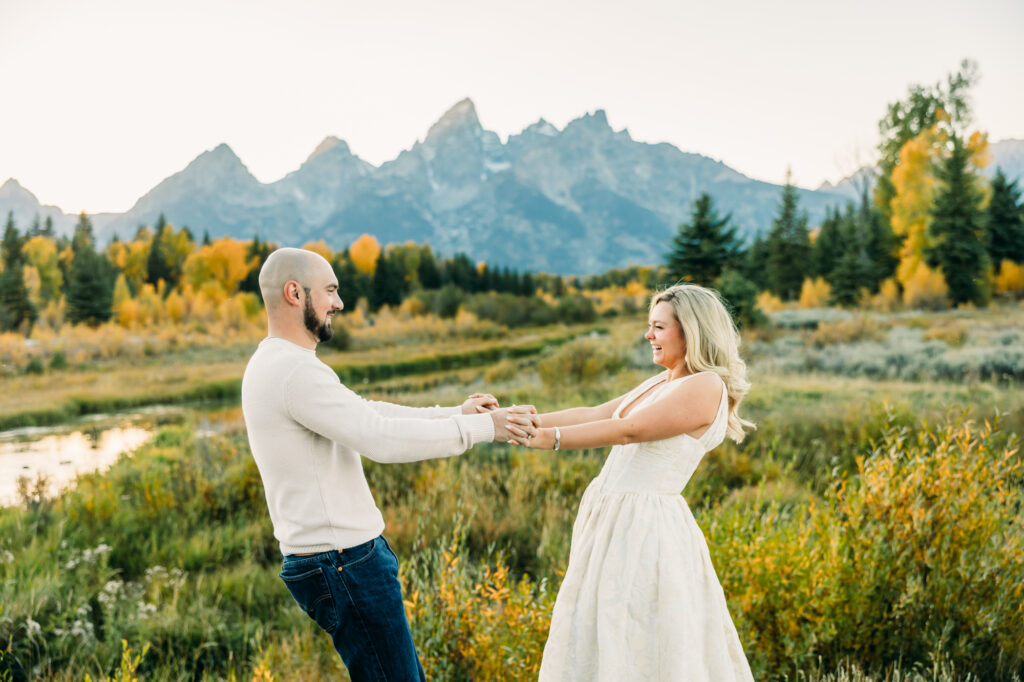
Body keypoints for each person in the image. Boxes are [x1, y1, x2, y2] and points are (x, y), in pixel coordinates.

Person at [240, 247, 528, 681]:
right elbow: (379, 438)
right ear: (295, 293)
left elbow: (367, 415)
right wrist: (487, 429)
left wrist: (455, 414)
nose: (338, 303)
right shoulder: (293, 372)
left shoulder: (279, 364)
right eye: (331, 291)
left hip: (338, 560)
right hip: (342, 563)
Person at [508, 283, 756, 681]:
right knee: (601, 633)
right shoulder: (664, 381)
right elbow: (598, 412)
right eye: (649, 326)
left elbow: (630, 430)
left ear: (690, 331)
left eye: (658, 327)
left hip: (644, 529)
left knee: (640, 635)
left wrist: (550, 440)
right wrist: (521, 422)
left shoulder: (706, 385)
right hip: (615, 522)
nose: (648, 336)